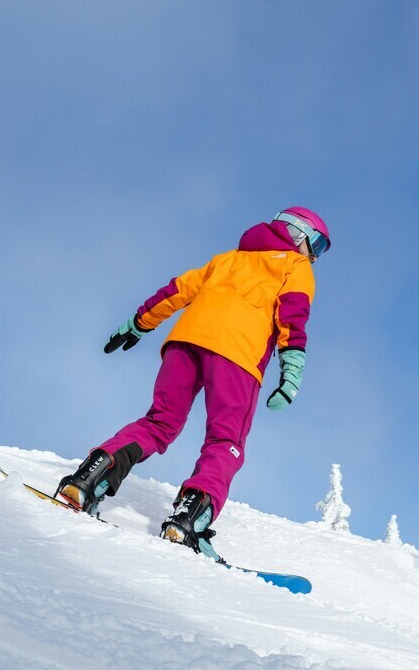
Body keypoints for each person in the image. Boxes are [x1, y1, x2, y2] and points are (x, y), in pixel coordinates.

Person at [56, 206, 331, 561]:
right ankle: (189, 520)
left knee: (159, 422)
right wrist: (292, 368)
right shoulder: (295, 266)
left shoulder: (228, 260)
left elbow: (177, 290)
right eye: (318, 245)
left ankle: (89, 477)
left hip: (185, 343)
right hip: (237, 355)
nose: (315, 256)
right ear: (299, 234)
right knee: (226, 440)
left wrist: (139, 322)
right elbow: (293, 312)